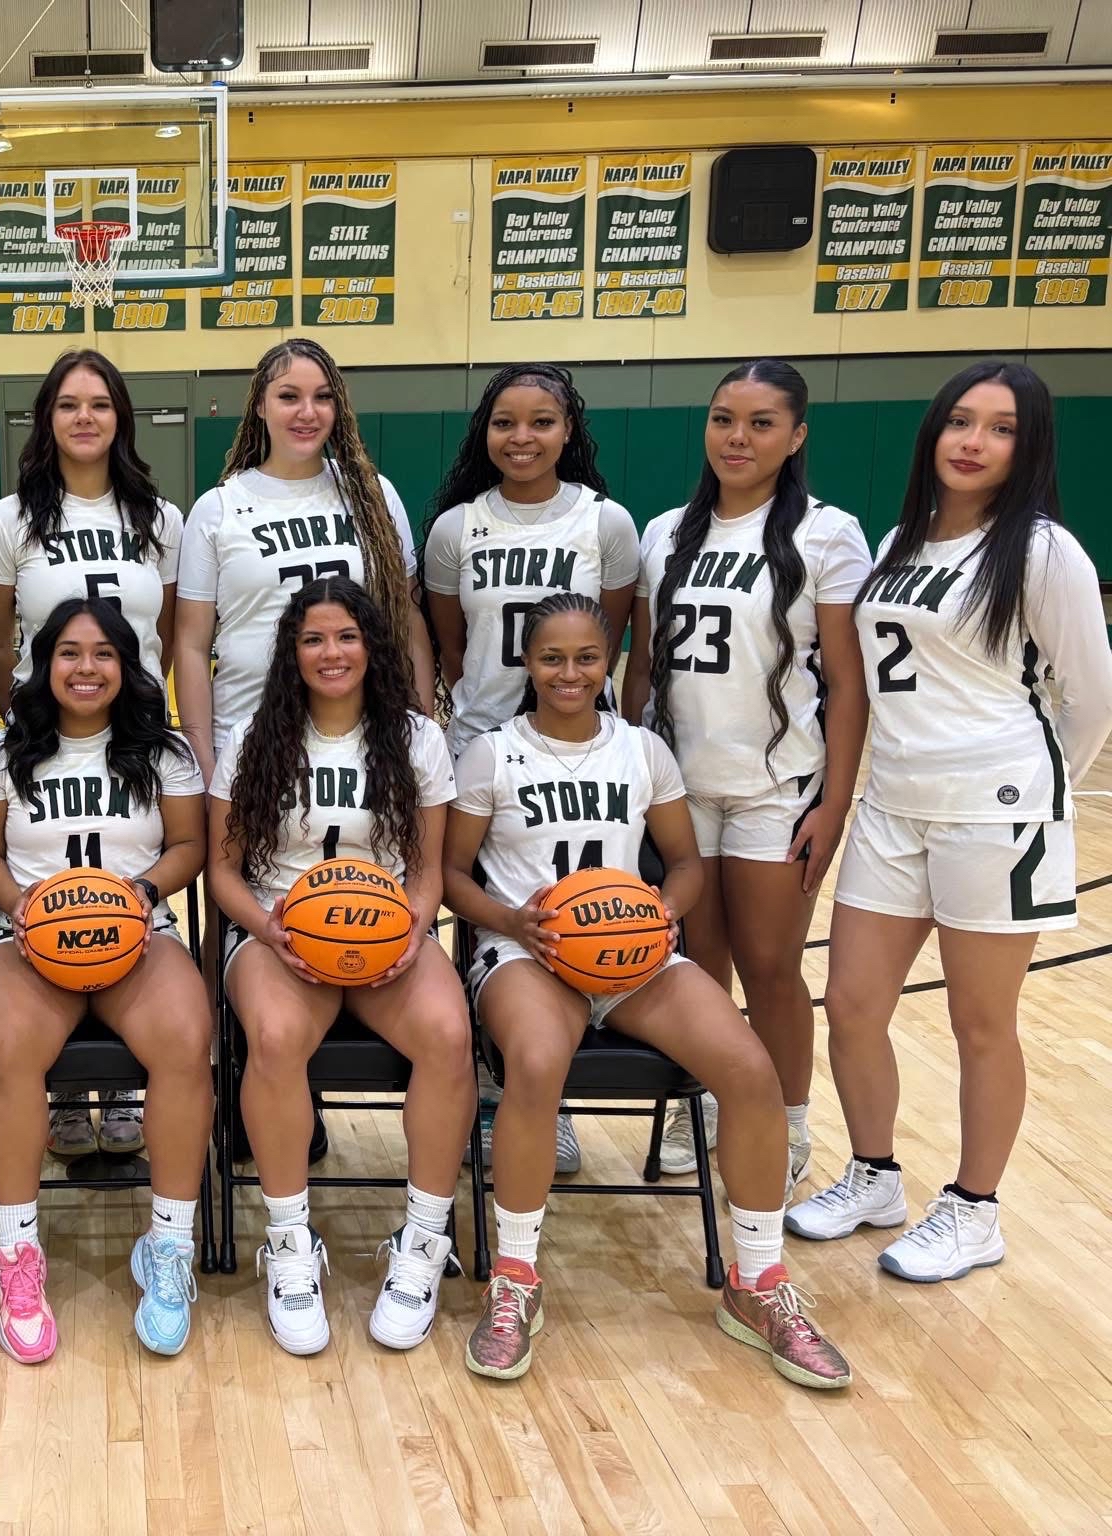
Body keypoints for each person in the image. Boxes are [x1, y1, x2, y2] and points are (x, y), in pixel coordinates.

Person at [440, 593, 851, 1390]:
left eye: (586, 658)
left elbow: (688, 865)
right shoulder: (493, 754)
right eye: (552, 658)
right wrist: (514, 922)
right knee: (534, 1062)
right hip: (527, 953)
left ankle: (758, 1284)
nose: (569, 673)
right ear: (527, 662)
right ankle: (516, 1280)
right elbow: (453, 877)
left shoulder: (643, 752)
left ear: (611, 661)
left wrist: (665, 912)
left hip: (633, 956)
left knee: (749, 1068)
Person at [788, 361, 1112, 1282]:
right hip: (893, 807)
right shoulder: (903, 539)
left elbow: (1090, 698)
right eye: (960, 421)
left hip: (993, 813)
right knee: (850, 1006)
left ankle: (975, 1209)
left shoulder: (1044, 551)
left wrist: (1026, 789)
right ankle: (875, 1174)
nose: (973, 442)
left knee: (981, 1021)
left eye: (1001, 428)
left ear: (1029, 446)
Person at [620, 361, 869, 1187]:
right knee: (697, 964)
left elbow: (845, 682)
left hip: (776, 787)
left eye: (762, 423)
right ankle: (705, 1108)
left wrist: (834, 804)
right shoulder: (665, 533)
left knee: (769, 967)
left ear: (796, 436)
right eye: (725, 418)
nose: (738, 437)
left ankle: (787, 1121)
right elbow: (644, 669)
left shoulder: (828, 535)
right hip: (682, 787)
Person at [208, 577, 471, 1356]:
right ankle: (290, 1245)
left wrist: (412, 930)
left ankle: (422, 1244)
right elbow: (224, 873)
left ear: (372, 647)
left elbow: (426, 869)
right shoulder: (256, 739)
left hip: (388, 934)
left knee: (450, 1038)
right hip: (279, 931)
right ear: (291, 653)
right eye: (314, 639)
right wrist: (271, 928)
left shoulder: (416, 738)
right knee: (279, 1039)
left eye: (347, 637)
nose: (332, 652)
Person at [0, 598, 212, 1361]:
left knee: (185, 1038)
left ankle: (169, 1246)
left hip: (137, 933)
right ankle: (17, 1254)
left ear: (128, 666)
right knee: (8, 1048)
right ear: (43, 664)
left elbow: (189, 843)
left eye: (103, 654)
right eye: (69, 653)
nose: (85, 668)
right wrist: (23, 907)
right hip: (30, 940)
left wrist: (141, 892)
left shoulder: (161, 751)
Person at [420, 362, 642, 1176]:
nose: (522, 438)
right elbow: (450, 646)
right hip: (482, 742)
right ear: (485, 432)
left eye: (541, 421)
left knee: (573, 914)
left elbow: (608, 633)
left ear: (568, 431)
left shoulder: (605, 523)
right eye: (506, 422)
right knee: (481, 921)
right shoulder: (455, 530)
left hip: (578, 743)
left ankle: (547, 1100)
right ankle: (496, 1085)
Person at [0, 348, 182, 1158]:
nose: (85, 418)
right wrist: (23, 719)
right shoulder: (7, 519)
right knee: (51, 882)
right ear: (46, 419)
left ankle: (125, 1087)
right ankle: (60, 1094)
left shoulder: (160, 519)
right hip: (42, 735)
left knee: (127, 893)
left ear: (120, 417)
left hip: (132, 736)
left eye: (99, 403)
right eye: (68, 405)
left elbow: (165, 634)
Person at [173, 337, 432, 788]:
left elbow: (407, 617)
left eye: (323, 397)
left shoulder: (372, 496)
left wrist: (421, 730)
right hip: (248, 737)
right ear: (260, 405)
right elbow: (192, 646)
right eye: (289, 396)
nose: (307, 412)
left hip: (363, 743)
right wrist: (204, 761)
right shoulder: (218, 508)